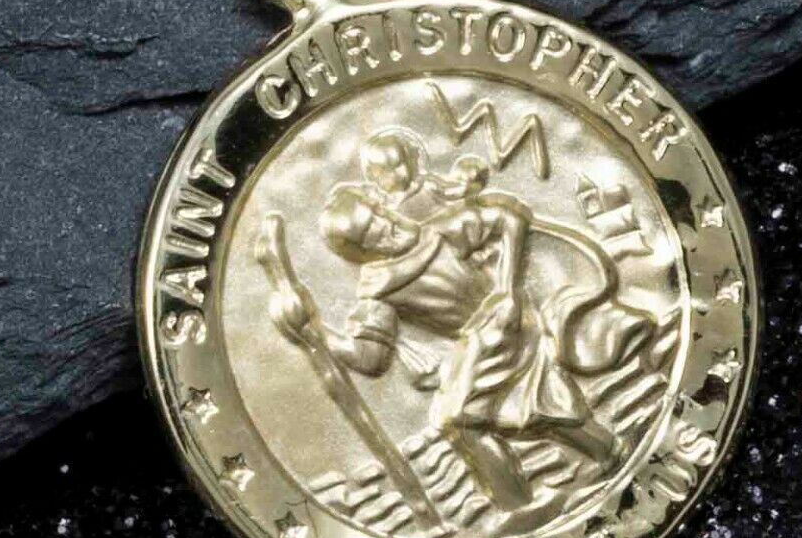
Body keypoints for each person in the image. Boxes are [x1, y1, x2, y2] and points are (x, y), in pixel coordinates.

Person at [275, 129, 653, 510]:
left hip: (504, 324)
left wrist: (507, 287)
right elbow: (371, 358)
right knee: (535, 405)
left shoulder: (439, 233)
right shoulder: (378, 288)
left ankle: (517, 506)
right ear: (360, 251)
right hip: (484, 338)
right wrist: (315, 333)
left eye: (378, 214)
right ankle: (607, 453)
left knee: (459, 420)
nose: (384, 226)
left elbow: (510, 217)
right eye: (370, 232)